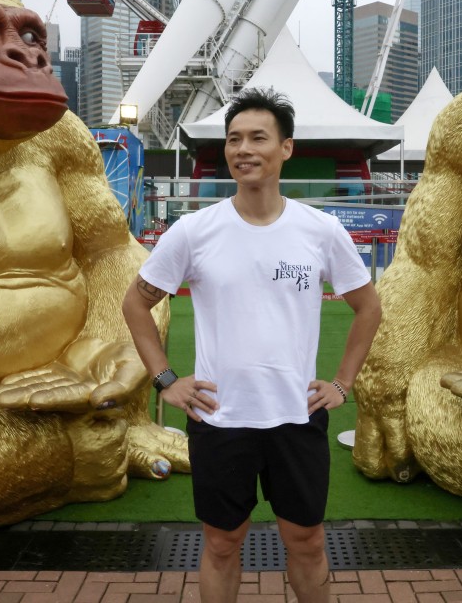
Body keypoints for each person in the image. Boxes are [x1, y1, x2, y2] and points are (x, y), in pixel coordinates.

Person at [122, 87, 381, 602]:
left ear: (285, 148)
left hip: (297, 416)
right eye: (234, 139)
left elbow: (368, 308)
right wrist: (166, 380)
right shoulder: (195, 231)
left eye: (258, 137)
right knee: (221, 543)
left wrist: (341, 384)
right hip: (219, 419)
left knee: (306, 541)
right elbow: (135, 303)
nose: (244, 149)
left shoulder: (320, 230)